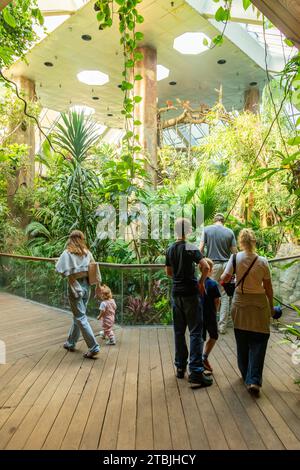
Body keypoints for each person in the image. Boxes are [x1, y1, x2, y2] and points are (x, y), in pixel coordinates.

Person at [220, 228, 274, 396]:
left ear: (241, 242)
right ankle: (254, 380)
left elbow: (224, 278)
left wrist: (232, 279)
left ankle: (246, 376)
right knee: (259, 340)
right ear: (254, 242)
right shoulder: (263, 261)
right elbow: (269, 288)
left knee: (242, 341)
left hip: (240, 303)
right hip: (259, 304)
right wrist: (271, 307)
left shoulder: (235, 258)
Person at [165, 217, 213, 388]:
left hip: (176, 293)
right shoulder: (191, 248)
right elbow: (206, 267)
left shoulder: (170, 249)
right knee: (195, 332)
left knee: (179, 332)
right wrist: (200, 282)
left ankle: (180, 368)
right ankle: (196, 371)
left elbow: (169, 272)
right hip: (191, 294)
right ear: (188, 231)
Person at [56, 230, 101, 358]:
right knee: (79, 316)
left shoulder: (66, 254)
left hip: (74, 286)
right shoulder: (87, 253)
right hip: (87, 286)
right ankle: (71, 343)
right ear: (82, 239)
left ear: (70, 239)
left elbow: (60, 270)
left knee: (80, 317)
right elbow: (94, 268)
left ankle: (94, 347)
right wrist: (97, 286)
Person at [200, 213, 237, 334]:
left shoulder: (206, 230)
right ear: (223, 221)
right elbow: (235, 253)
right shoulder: (230, 232)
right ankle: (222, 327)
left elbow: (200, 249)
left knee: (209, 293)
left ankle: (209, 323)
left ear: (214, 220)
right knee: (225, 295)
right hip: (227, 266)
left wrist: (199, 264)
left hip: (213, 266)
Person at [201, 258, 221, 373]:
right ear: (210, 270)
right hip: (210, 315)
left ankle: (200, 358)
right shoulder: (213, 284)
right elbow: (217, 301)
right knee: (213, 335)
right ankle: (204, 356)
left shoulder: (197, 282)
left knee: (200, 337)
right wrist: (216, 312)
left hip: (200, 315)